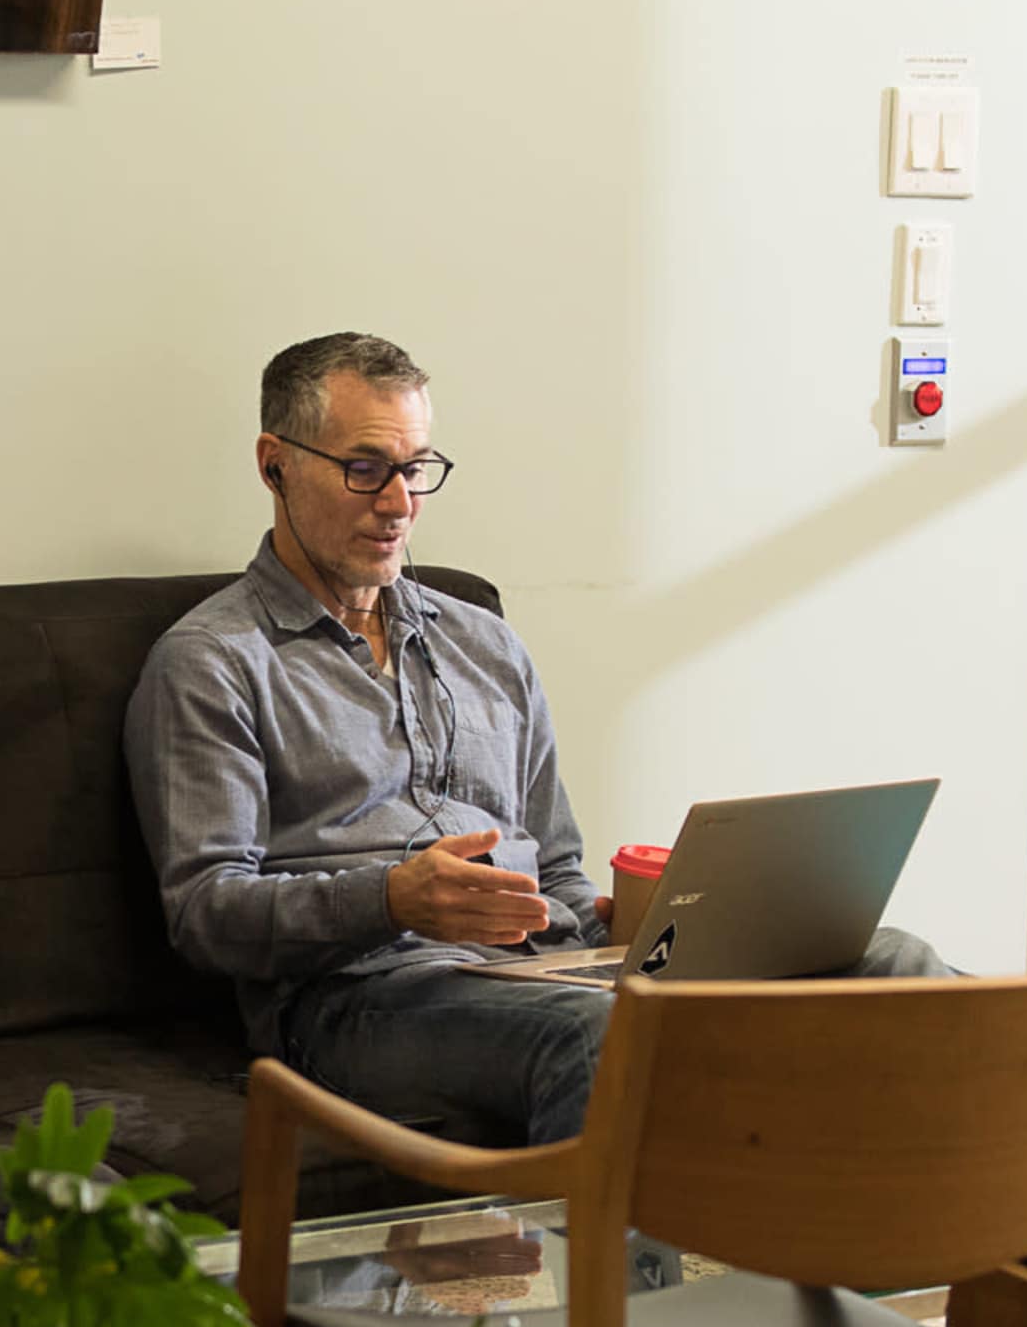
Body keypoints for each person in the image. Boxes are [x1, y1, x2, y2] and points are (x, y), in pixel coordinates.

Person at [126, 332, 950, 1147]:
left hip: (546, 967)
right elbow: (204, 913)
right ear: (275, 464)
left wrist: (639, 923)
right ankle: (626, 1282)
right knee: (601, 1033)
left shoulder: (484, 642)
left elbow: (553, 863)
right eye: (365, 468)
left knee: (894, 967)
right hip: (361, 996)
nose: (400, 504)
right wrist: (391, 899)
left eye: (417, 470)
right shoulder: (212, 663)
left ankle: (941, 1259)